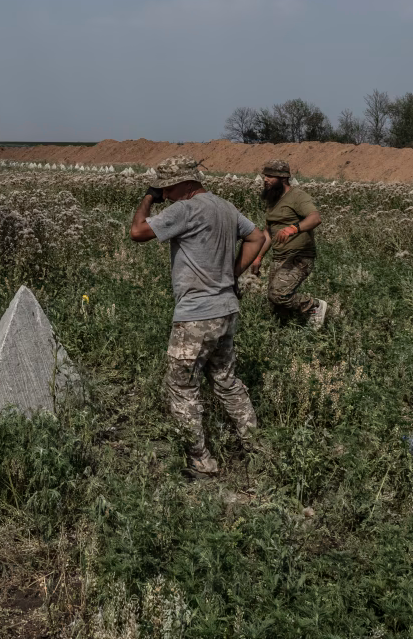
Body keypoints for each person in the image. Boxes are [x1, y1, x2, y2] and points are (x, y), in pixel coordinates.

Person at [129, 156, 267, 478]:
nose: (166, 193)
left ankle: (202, 462)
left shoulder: (185, 209)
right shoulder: (225, 207)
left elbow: (137, 232)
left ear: (185, 183)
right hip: (226, 310)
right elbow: (258, 237)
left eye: (168, 186)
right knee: (227, 382)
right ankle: (257, 449)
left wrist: (148, 196)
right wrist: (232, 276)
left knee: (180, 386)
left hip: (195, 316)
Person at [250, 160, 329, 328]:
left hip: (299, 256)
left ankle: (314, 306)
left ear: (283, 178)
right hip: (279, 258)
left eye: (270, 176)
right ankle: (289, 332)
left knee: (278, 294)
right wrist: (258, 257)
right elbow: (268, 234)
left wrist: (294, 228)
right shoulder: (272, 201)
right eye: (265, 175)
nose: (265, 179)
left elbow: (315, 218)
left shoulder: (298, 197)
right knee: (276, 306)